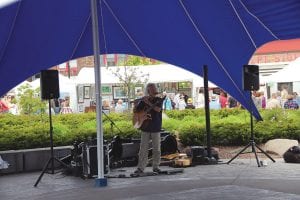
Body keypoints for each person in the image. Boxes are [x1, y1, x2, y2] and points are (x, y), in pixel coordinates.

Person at [133, 83, 163, 174]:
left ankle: (156, 166)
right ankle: (141, 167)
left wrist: (148, 102)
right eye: (151, 89)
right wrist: (138, 102)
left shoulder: (159, 99)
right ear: (148, 91)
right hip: (145, 126)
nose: (153, 90)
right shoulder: (144, 100)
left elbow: (158, 109)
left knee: (156, 148)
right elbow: (137, 110)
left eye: (154, 88)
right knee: (143, 149)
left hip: (156, 126)